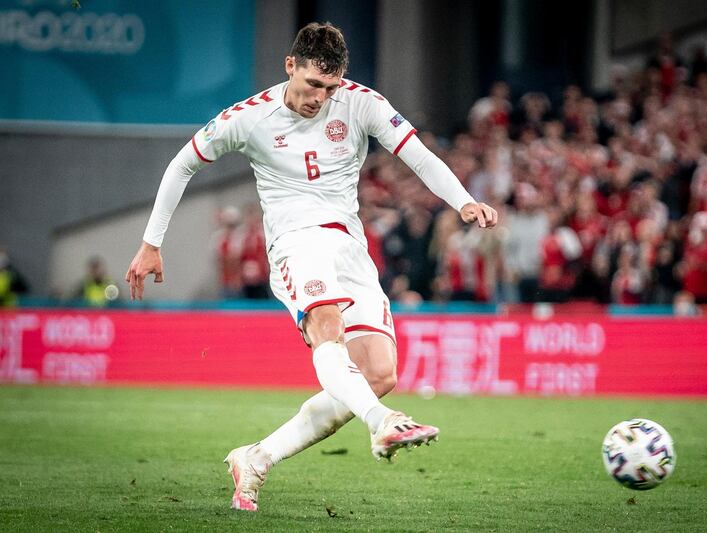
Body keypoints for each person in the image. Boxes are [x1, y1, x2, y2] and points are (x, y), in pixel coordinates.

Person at [125, 22, 497, 512]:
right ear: (290, 66)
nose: (319, 98)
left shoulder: (362, 102)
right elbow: (182, 164)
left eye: (329, 87)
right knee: (328, 329)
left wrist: (463, 202)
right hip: (295, 244)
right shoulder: (250, 116)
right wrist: (151, 243)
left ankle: (256, 458)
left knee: (379, 371)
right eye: (311, 85)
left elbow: (419, 157)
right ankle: (382, 422)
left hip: (350, 247)